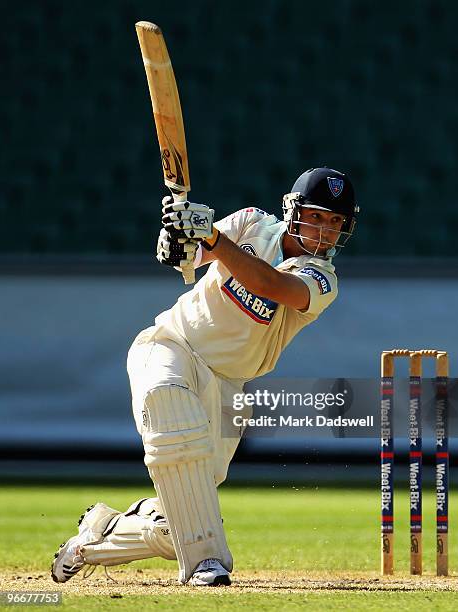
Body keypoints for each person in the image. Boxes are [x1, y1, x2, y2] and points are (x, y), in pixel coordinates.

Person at [51, 167, 359, 586]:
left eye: (336, 222)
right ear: (293, 210)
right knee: (169, 405)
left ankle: (97, 535)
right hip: (172, 345)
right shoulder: (251, 222)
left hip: (230, 387)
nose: (325, 232)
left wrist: (212, 238)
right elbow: (192, 256)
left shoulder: (323, 279)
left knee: (179, 518)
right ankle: (206, 564)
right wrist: (178, 241)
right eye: (317, 217)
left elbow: (270, 284)